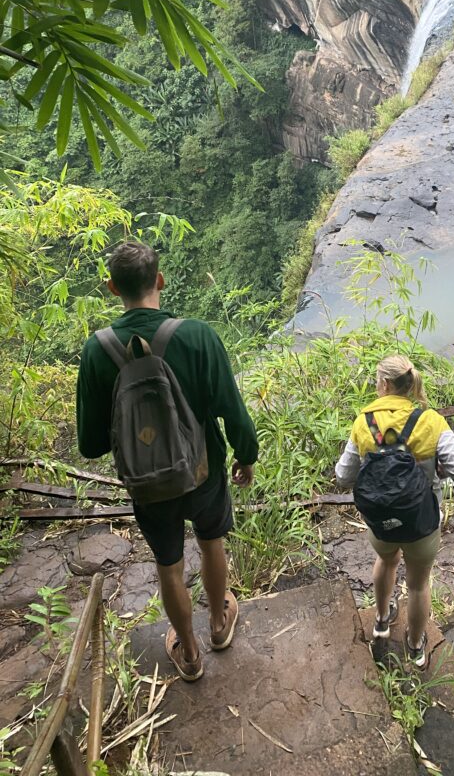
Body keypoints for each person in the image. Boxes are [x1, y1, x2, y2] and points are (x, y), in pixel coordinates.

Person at [76, 241, 258, 682]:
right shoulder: (197, 335)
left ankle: (189, 653)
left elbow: (91, 445)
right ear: (159, 280)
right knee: (211, 542)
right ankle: (219, 625)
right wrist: (246, 455)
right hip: (203, 472)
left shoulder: (96, 351)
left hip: (148, 485)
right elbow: (232, 409)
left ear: (112, 287)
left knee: (169, 564)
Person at [335, 354, 454, 668]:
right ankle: (415, 647)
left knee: (386, 561)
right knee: (418, 584)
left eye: (377, 381)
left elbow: (343, 476)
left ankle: (381, 621)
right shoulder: (430, 421)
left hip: (380, 523)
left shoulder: (364, 422)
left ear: (385, 384)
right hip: (422, 522)